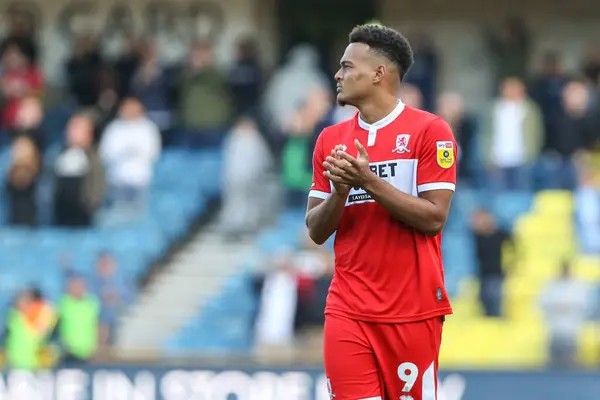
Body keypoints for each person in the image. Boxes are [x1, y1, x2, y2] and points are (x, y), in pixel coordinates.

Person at [306, 24, 456, 400]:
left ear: (378, 73)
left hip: (412, 310)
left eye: (346, 66)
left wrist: (368, 180)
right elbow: (315, 229)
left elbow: (434, 218)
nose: (338, 75)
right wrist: (340, 192)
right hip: (347, 308)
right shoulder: (330, 140)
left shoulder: (430, 131)